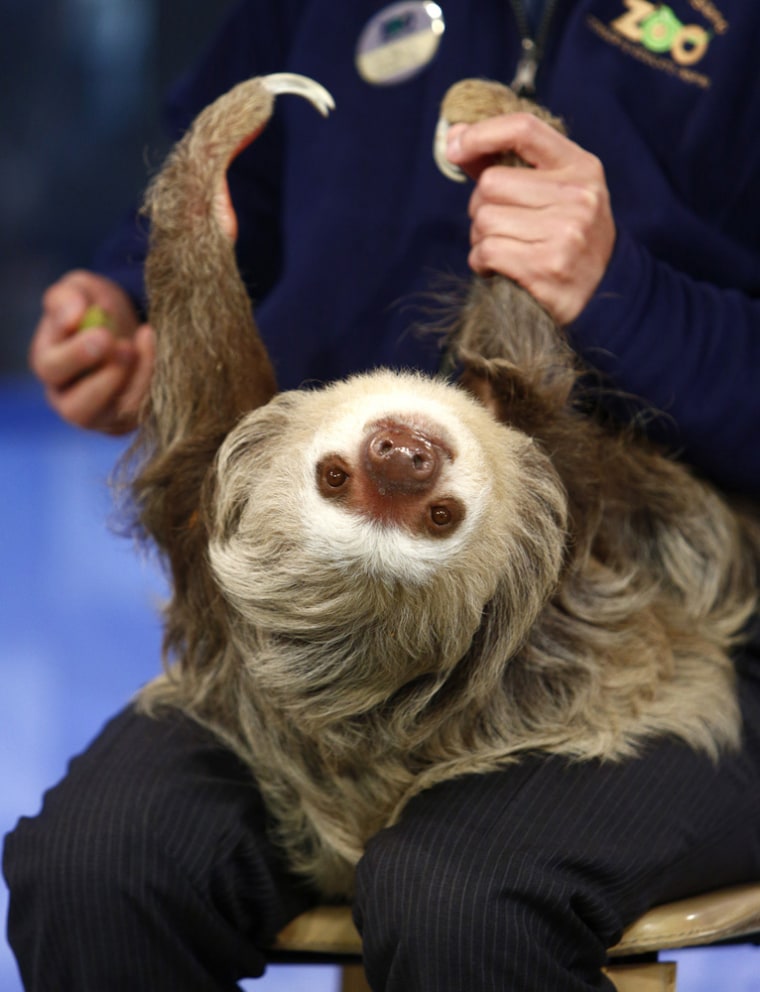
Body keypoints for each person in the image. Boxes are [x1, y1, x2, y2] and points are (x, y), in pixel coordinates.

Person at [6, 1, 760, 990]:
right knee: (96, 868)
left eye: (354, 478)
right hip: (325, 664)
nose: (405, 463)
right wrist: (126, 308)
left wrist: (619, 291)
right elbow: (251, 197)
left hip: (681, 631)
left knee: (462, 902)